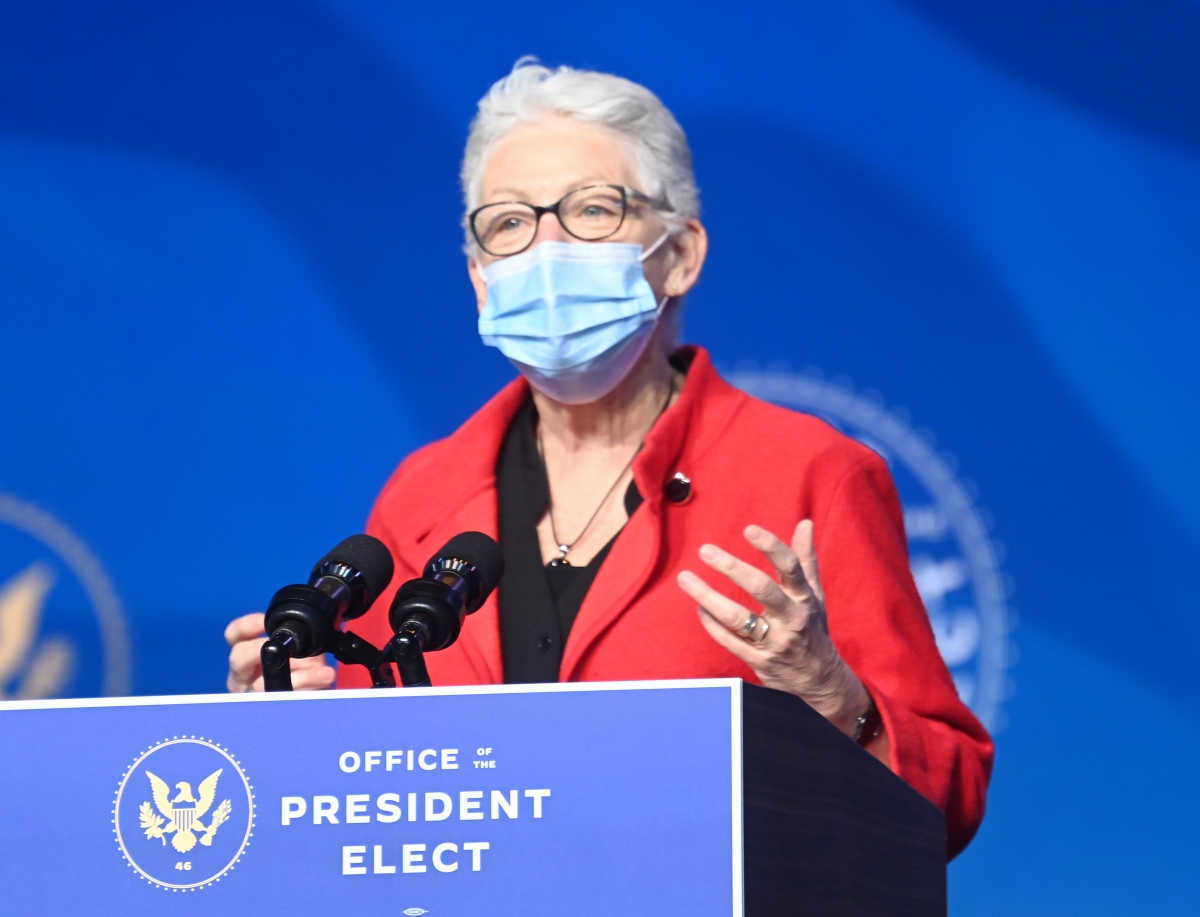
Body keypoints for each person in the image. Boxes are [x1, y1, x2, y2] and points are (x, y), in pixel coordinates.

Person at [226, 59, 992, 856]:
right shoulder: (422, 496)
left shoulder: (812, 473)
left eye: (592, 210)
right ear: (479, 279)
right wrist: (290, 725)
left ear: (681, 254)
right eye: (510, 223)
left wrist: (834, 694)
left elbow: (950, 799)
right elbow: (385, 797)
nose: (547, 248)